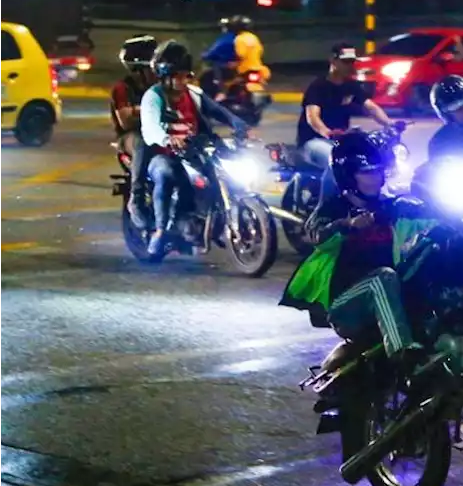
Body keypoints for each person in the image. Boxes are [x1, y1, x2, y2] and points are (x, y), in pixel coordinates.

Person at [280, 130, 435, 370]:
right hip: (347, 305)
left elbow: (428, 221)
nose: (375, 177)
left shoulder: (389, 205)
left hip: (388, 295)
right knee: (383, 277)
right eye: (367, 172)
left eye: (378, 170)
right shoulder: (334, 208)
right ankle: (401, 349)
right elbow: (315, 234)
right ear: (349, 176)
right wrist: (347, 226)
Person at [139, 40, 250, 255]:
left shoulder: (194, 94)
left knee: (224, 174)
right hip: (164, 154)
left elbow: (219, 111)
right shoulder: (153, 97)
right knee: (165, 173)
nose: (182, 81)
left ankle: (210, 217)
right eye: (177, 76)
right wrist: (167, 139)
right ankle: (161, 231)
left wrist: (239, 124)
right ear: (164, 76)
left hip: (194, 151)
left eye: (185, 75)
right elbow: (151, 127)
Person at [297, 43, 397, 204]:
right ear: (333, 60)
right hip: (314, 141)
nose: (349, 66)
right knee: (336, 162)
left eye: (351, 62)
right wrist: (327, 132)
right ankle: (324, 211)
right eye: (345, 62)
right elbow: (312, 117)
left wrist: (389, 124)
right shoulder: (318, 86)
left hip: (342, 142)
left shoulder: (351, 86)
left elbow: (371, 107)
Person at [111, 35, 159, 228]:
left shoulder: (164, 86)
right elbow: (126, 121)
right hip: (131, 137)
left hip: (163, 134)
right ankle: (137, 197)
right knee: (143, 141)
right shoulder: (122, 88)